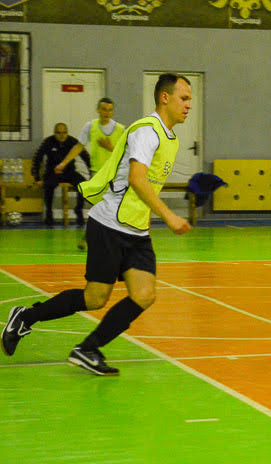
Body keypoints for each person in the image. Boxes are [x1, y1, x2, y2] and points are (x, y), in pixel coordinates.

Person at [2, 73, 193, 375]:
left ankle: (87, 349)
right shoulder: (147, 131)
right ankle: (26, 317)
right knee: (94, 298)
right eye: (184, 98)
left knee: (144, 295)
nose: (189, 105)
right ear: (165, 98)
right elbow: (137, 179)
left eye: (190, 100)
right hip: (110, 226)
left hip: (137, 230)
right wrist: (169, 216)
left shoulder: (171, 138)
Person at [56, 97, 125, 248]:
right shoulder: (91, 126)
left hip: (116, 174)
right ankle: (92, 237)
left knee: (112, 208)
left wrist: (110, 147)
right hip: (98, 174)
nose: (106, 113)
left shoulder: (120, 129)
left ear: (112, 112)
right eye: (104, 109)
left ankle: (94, 238)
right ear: (98, 110)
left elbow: (125, 154)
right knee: (99, 208)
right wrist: (64, 162)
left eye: (109, 110)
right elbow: (79, 147)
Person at [31, 123, 90, 227]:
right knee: (48, 185)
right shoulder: (48, 142)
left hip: (69, 172)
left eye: (64, 133)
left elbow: (86, 157)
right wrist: (37, 178)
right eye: (59, 133)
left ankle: (79, 210)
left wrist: (92, 173)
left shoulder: (72, 141)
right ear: (54, 133)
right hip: (52, 172)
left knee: (83, 185)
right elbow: (37, 159)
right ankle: (49, 213)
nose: (62, 135)